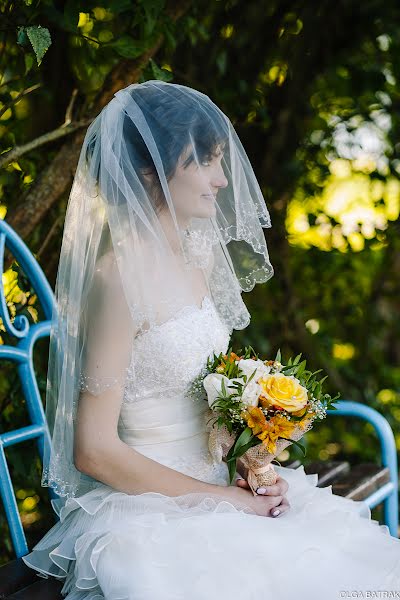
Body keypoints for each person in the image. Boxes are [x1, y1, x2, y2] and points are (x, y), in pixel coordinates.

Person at [22, 80, 400, 600]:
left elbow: (202, 395)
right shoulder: (118, 279)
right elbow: (93, 450)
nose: (223, 180)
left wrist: (250, 459)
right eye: (205, 163)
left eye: (221, 160)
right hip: (155, 509)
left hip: (220, 485)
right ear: (152, 172)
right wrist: (223, 502)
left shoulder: (195, 257)